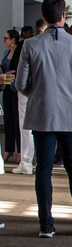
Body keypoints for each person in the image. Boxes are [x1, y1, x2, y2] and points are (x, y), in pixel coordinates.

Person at [14, 0, 72, 237]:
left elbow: (20, 83)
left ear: (44, 15)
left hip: (42, 115)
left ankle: (46, 225)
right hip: (71, 116)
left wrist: (38, 95)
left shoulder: (30, 45)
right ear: (64, 16)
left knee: (44, 169)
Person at [6, 27, 34, 175]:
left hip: (26, 90)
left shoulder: (25, 45)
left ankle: (26, 162)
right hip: (42, 91)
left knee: (25, 127)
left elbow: (17, 68)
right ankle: (30, 161)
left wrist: (20, 86)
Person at [1, 29, 18, 167]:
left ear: (13, 40)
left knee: (17, 120)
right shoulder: (6, 53)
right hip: (6, 88)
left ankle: (20, 150)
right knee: (8, 120)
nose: (4, 41)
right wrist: (5, 79)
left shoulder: (18, 52)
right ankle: (9, 149)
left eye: (6, 38)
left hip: (16, 89)